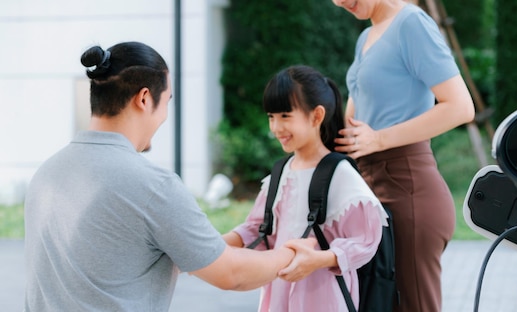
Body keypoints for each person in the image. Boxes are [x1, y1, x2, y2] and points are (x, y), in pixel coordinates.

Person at [23, 41, 307, 311]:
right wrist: (293, 254)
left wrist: (230, 240)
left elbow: (117, 257)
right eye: (167, 101)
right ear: (145, 99)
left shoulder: (46, 174)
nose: (165, 115)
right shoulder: (152, 185)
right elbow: (232, 273)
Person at [330, 1, 476, 311]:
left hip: (408, 189)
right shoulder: (367, 36)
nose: (339, 1)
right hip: (370, 188)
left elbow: (461, 107)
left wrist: (379, 138)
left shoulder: (411, 23)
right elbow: (355, 122)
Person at [222, 65, 388, 312]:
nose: (276, 127)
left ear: (316, 116)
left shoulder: (340, 174)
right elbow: (256, 229)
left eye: (285, 116)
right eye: (271, 117)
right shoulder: (280, 173)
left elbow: (365, 240)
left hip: (323, 297)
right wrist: (210, 246)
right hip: (278, 292)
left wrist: (318, 260)